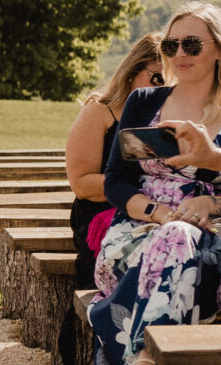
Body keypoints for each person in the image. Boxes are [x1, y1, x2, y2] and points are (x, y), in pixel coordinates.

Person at [89, 1, 221, 365]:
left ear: (218, 48)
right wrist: (160, 213)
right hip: (138, 231)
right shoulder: (145, 101)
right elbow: (115, 181)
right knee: (175, 236)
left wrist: (212, 202)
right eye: (172, 43)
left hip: (213, 230)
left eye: (192, 43)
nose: (180, 52)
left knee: (180, 238)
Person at [64, 33, 164, 288]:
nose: (162, 88)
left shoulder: (170, 117)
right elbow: (82, 184)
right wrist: (139, 190)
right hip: (101, 213)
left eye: (170, 81)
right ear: (131, 71)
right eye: (156, 78)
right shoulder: (100, 110)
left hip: (153, 212)